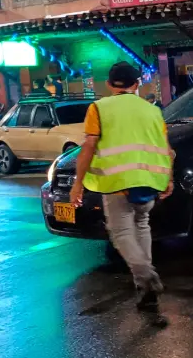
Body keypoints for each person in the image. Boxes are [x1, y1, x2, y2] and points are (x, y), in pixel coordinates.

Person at [69, 62, 174, 312]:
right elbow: (166, 150)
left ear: (108, 84)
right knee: (141, 224)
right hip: (148, 182)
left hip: (117, 183)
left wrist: (78, 183)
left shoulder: (99, 108)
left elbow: (89, 146)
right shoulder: (153, 111)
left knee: (122, 234)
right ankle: (144, 287)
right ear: (137, 84)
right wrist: (168, 179)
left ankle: (147, 276)